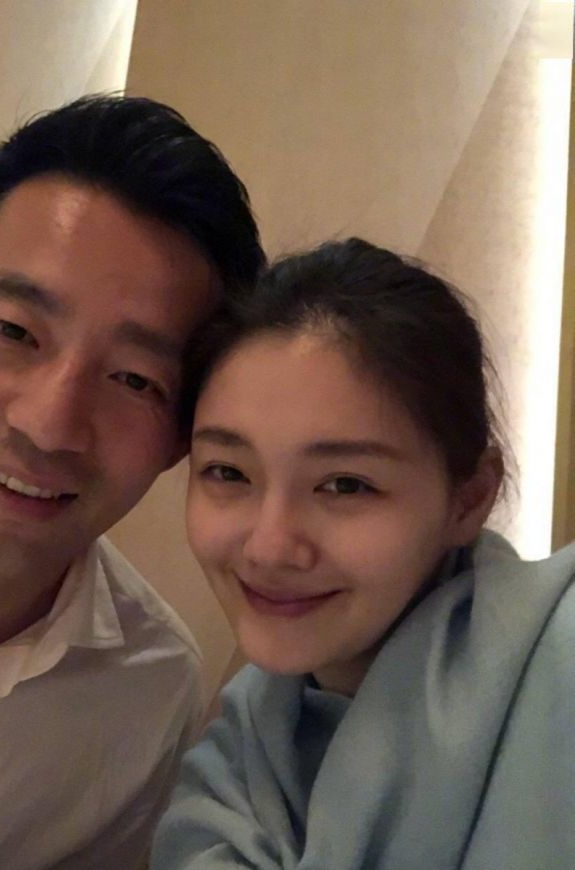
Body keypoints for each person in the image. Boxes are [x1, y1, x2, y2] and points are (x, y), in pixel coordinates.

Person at [0, 93, 264, 870]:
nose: (50, 425)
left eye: (133, 379)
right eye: (12, 331)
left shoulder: (147, 698)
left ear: (179, 440)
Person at [151, 238, 575, 869]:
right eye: (228, 473)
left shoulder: (559, 664)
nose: (269, 547)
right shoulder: (233, 769)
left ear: (469, 499)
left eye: (346, 485)